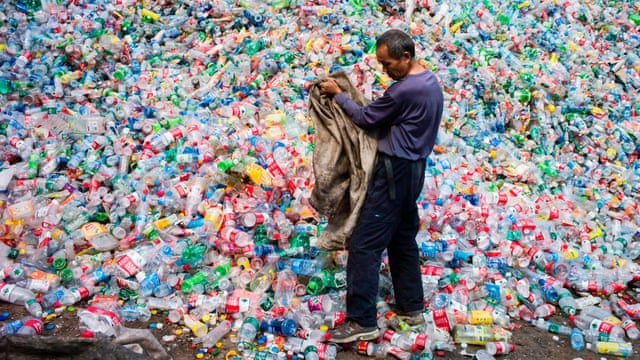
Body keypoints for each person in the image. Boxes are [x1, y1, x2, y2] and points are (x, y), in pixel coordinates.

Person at [318, 29, 444, 343]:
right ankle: (411, 307)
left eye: (389, 64)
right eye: (381, 63)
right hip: (415, 170)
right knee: (402, 239)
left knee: (364, 244)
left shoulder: (404, 91)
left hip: (393, 172)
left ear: (406, 57)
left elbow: (364, 117)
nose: (385, 70)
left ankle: (361, 321)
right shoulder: (430, 82)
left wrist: (338, 93)